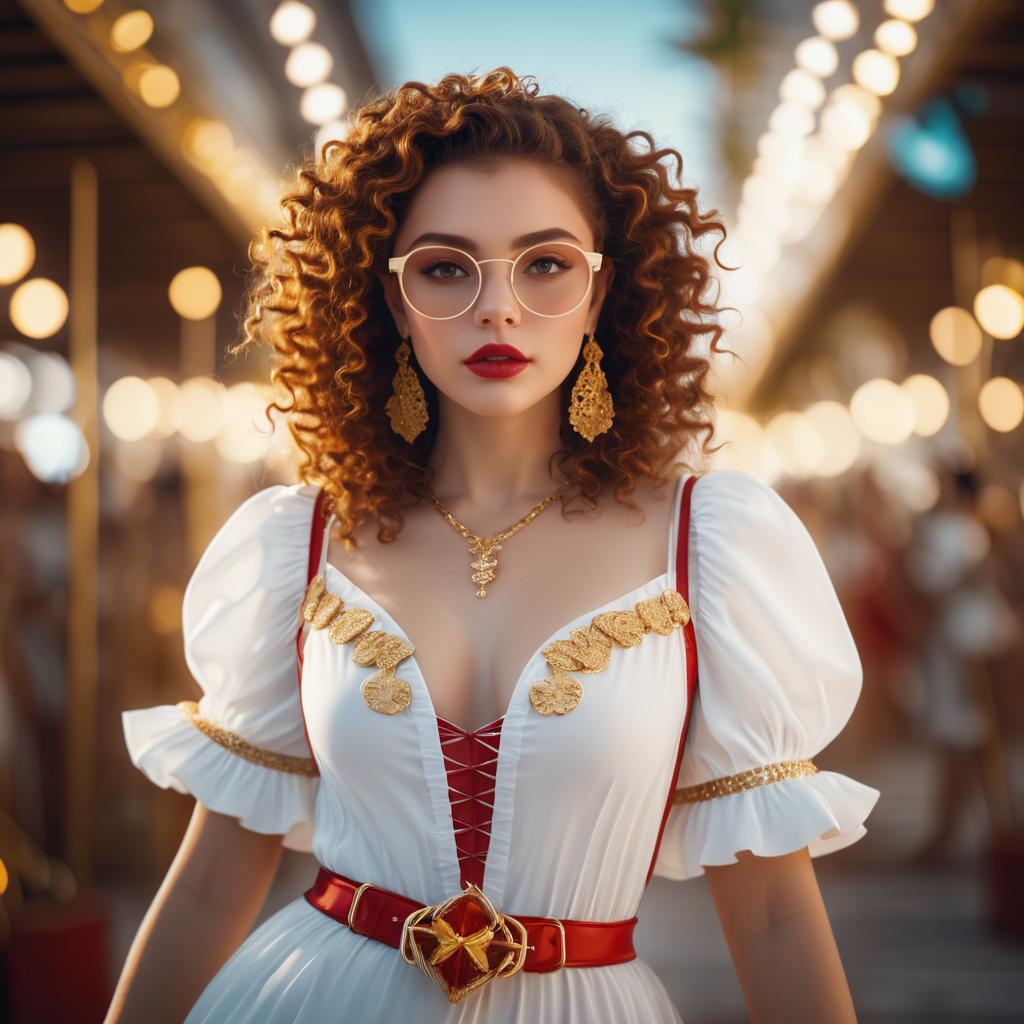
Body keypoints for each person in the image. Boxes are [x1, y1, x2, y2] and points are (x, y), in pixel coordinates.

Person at [105, 67, 879, 1023]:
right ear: (389, 303)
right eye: (445, 266)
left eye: (545, 263)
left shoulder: (707, 546)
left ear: (602, 295)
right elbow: (211, 886)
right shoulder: (295, 545)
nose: (498, 307)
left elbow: (770, 919)